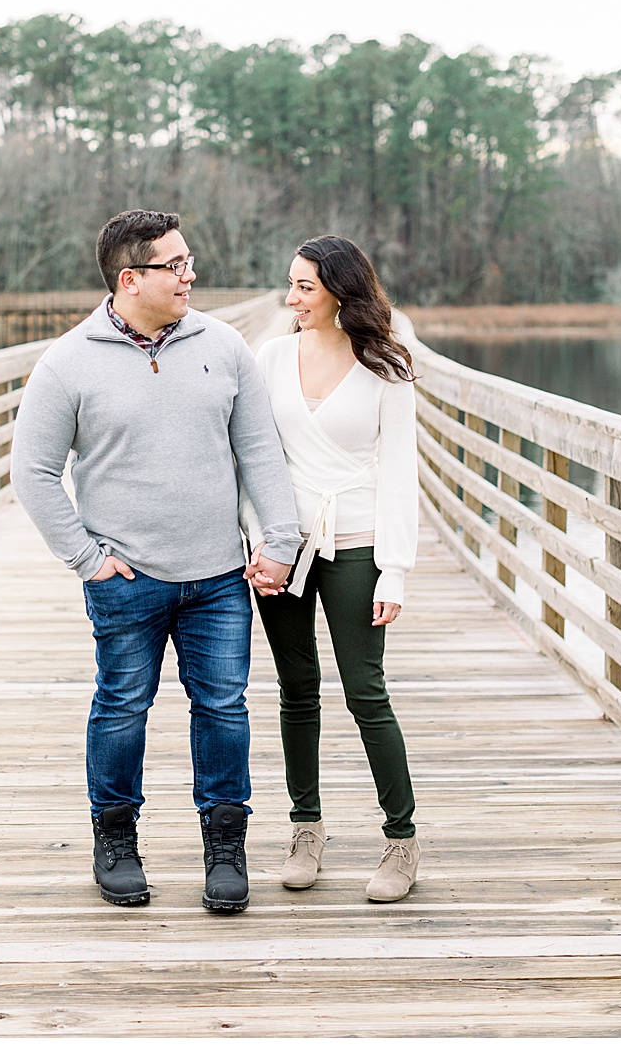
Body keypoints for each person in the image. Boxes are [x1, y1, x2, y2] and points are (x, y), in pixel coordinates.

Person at [11, 209, 301, 913]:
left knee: (224, 709)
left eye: (188, 260)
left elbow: (259, 449)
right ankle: (115, 841)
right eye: (175, 265)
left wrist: (281, 539)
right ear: (129, 277)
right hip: (126, 579)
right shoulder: (69, 361)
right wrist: (87, 558)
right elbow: (33, 472)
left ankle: (225, 847)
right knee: (120, 709)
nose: (189, 274)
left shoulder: (224, 345)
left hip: (217, 577)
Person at [243, 235, 422, 902]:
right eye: (289, 285)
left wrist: (394, 570)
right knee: (297, 687)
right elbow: (251, 458)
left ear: (341, 291)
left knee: (365, 692)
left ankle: (401, 843)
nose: (290, 299)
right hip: (286, 544)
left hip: (356, 541)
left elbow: (400, 474)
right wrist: (261, 542)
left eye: (303, 288)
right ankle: (305, 830)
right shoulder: (270, 357)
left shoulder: (385, 367)